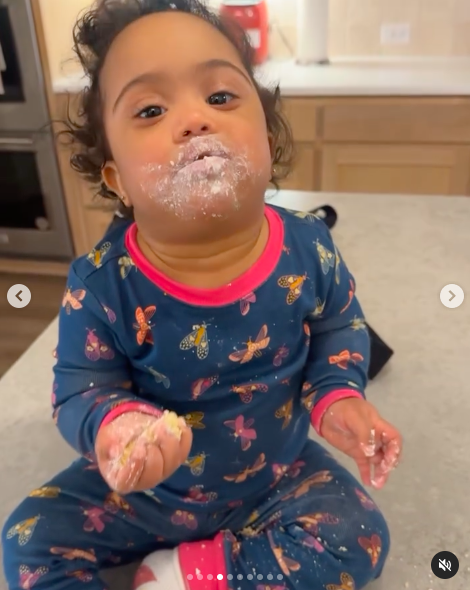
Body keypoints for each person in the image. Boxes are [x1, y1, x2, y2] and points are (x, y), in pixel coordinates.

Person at [1, 1, 402, 589]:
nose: (193, 119)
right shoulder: (101, 283)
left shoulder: (309, 247)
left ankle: (188, 574)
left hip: (276, 477)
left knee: (358, 535)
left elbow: (340, 327)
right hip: (148, 493)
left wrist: (339, 396)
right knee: (26, 543)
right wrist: (117, 427)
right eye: (151, 108)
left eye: (219, 98)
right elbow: (80, 386)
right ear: (117, 179)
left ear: (266, 139)